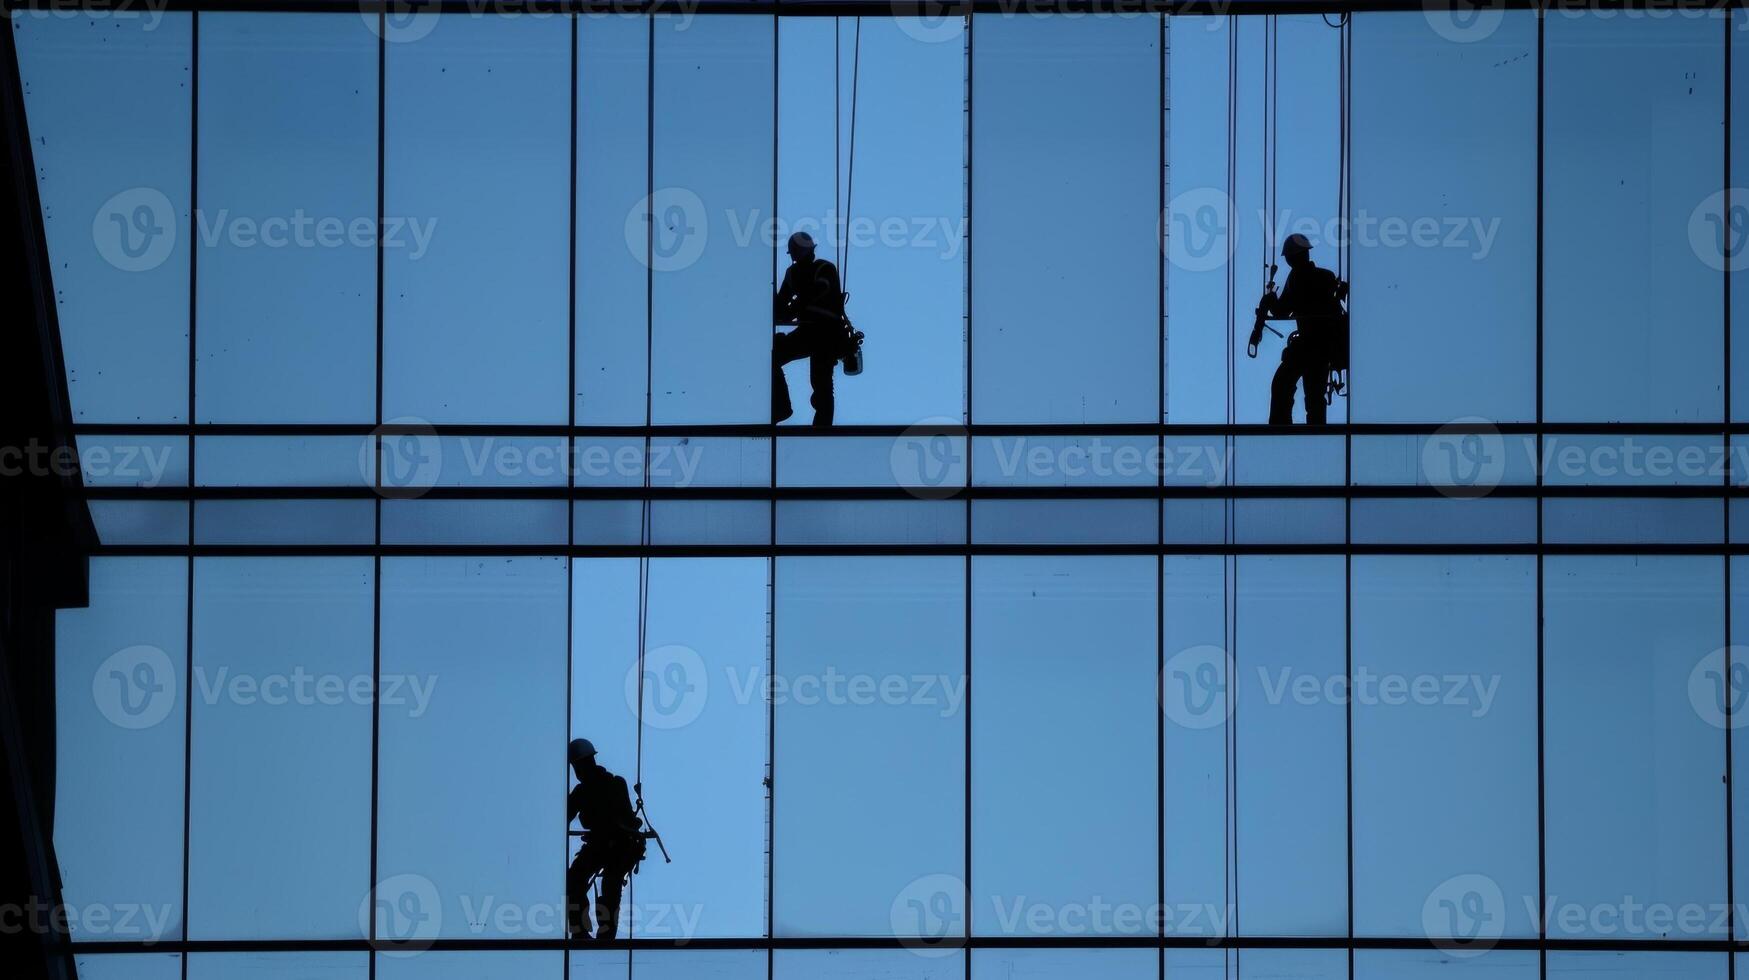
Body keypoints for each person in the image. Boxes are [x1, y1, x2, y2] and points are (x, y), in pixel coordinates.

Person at [1250, 233, 1346, 425]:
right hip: (1324, 346)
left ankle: (1280, 427)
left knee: (1282, 384)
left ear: (1292, 258)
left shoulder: (1297, 278)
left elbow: (1283, 309)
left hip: (1310, 343)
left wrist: (1269, 300)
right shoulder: (1326, 276)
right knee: (1314, 394)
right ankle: (1316, 432)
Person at [565, 738, 646, 941]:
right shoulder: (595, 789)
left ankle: (589, 932)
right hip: (610, 845)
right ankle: (594, 932)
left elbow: (623, 818)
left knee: (599, 882)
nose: (578, 771)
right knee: (591, 882)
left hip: (617, 844)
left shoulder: (599, 788)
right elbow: (562, 817)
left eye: (577, 766)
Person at [773, 231, 850, 426]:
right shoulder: (794, 274)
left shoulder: (824, 268)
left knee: (821, 385)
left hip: (826, 333)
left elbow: (817, 291)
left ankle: (819, 430)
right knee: (773, 356)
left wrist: (791, 309)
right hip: (812, 333)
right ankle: (782, 409)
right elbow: (781, 304)